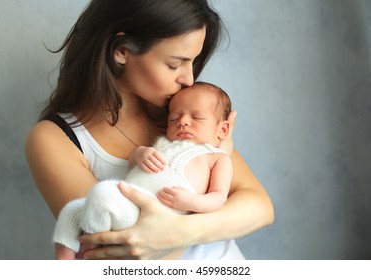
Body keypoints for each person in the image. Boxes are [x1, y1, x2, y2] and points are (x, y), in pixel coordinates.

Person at [25, 0, 274, 260]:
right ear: (121, 50)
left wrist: (183, 232)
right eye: (174, 64)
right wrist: (205, 225)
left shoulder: (183, 113)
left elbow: (260, 207)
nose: (188, 79)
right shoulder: (55, 139)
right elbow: (119, 255)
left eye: (193, 62)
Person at [53, 82, 236, 260]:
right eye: (174, 117)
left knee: (103, 194)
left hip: (154, 218)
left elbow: (218, 197)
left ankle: (92, 244)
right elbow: (133, 163)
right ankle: (65, 260)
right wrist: (139, 153)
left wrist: (192, 202)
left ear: (223, 128)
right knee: (72, 210)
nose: (182, 122)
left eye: (196, 117)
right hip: (130, 202)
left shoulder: (217, 157)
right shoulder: (164, 141)